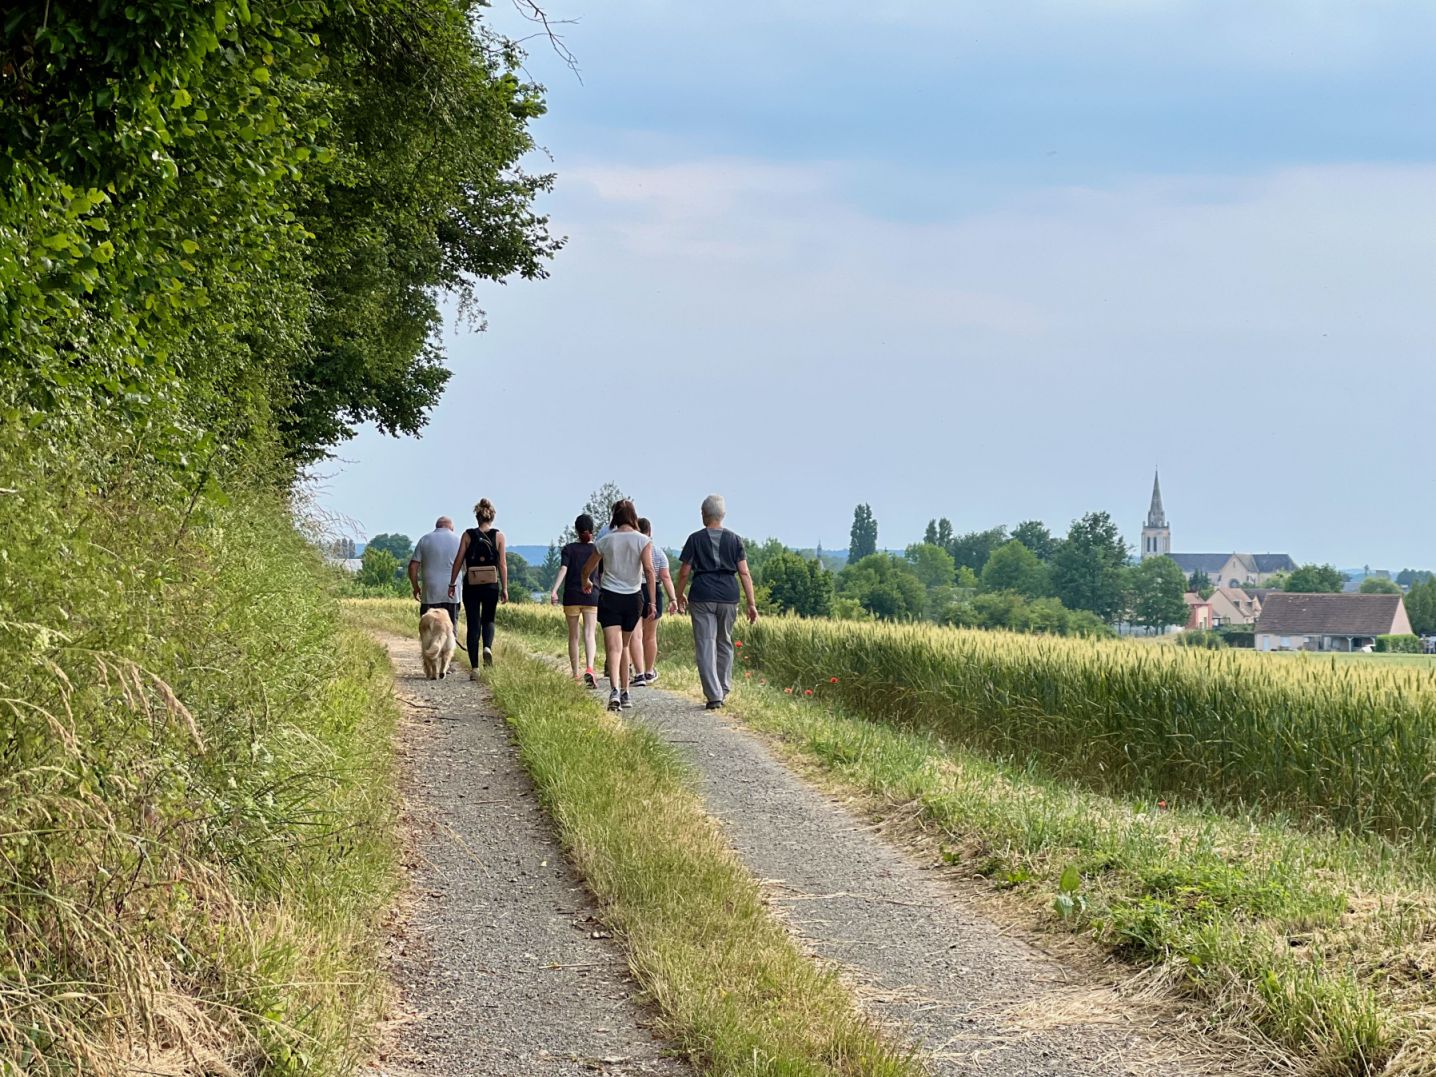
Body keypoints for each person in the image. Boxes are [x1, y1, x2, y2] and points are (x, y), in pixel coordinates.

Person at [675, 494, 758, 710]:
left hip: (702, 594)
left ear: (704, 514)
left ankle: (714, 695)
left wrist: (678, 594)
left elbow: (684, 572)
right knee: (724, 641)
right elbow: (744, 572)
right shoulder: (735, 539)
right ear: (723, 514)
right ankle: (723, 687)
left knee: (705, 643)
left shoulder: (695, 539)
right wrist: (751, 603)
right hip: (729, 596)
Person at [581, 500, 656, 711]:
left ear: (615, 517)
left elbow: (587, 569)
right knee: (624, 645)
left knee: (613, 647)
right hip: (633, 598)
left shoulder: (605, 541)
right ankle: (625, 692)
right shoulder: (643, 540)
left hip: (609, 596)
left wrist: (585, 582)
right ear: (633, 516)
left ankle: (614, 690)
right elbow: (649, 571)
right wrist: (652, 601)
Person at [448, 498, 508, 678]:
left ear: (477, 517)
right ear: (492, 517)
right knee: (488, 620)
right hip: (491, 585)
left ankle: (475, 668)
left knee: (473, 624)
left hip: (471, 585)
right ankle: (487, 647)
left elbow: (458, 561)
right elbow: (502, 564)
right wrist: (504, 588)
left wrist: (452, 583)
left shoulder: (467, 535)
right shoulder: (499, 536)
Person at [550, 513, 601, 687]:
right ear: (592, 529)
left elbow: (563, 569)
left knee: (573, 636)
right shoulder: (598, 550)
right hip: (592, 595)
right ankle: (590, 668)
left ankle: (575, 674)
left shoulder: (569, 549)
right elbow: (602, 574)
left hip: (571, 596)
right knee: (589, 634)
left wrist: (554, 590)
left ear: (576, 530)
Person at [627, 518, 676, 686]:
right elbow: (665, 577)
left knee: (635, 635)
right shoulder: (658, 552)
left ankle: (638, 673)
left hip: (634, 590)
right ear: (650, 532)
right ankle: (649, 671)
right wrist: (673, 598)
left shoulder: (632, 551)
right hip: (653, 590)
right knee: (650, 636)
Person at [409, 516, 461, 669]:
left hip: (429, 592)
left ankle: (431, 663)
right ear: (451, 528)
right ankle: (447, 664)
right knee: (450, 628)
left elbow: (413, 566)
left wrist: (415, 587)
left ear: (437, 526)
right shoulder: (458, 540)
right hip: (453, 591)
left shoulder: (425, 539)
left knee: (428, 630)